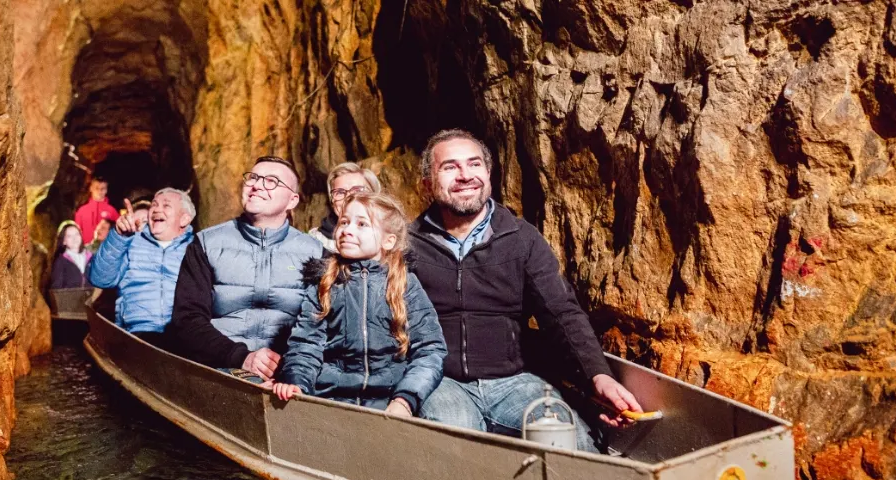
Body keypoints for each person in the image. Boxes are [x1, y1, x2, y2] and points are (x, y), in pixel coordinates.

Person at [410, 129, 644, 453]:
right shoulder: (407, 245)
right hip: (440, 381)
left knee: (571, 439)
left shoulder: (520, 238)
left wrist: (597, 376)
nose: (465, 175)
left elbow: (561, 313)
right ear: (427, 183)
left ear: (488, 175)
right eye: (450, 167)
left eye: (474, 164)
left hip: (514, 382)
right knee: (455, 443)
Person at [274, 192, 446, 416]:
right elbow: (305, 344)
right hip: (331, 398)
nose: (347, 229)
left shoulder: (405, 284)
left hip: (389, 401)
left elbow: (430, 349)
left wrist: (405, 399)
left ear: (388, 240)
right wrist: (297, 382)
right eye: (344, 222)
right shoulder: (325, 282)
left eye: (362, 224)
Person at [170, 156, 323, 381]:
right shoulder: (206, 244)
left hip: (291, 372)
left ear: (292, 201)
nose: (257, 185)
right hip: (220, 367)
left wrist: (294, 371)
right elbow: (187, 319)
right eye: (253, 178)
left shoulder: (315, 252)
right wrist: (242, 357)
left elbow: (322, 324)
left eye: (271, 181)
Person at [88, 188, 196, 341]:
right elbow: (100, 278)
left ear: (184, 219)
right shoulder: (130, 242)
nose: (157, 209)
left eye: (166, 206)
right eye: (154, 205)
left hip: (183, 334)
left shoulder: (197, 250)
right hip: (138, 333)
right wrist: (118, 236)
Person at [309, 162, 381, 252]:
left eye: (357, 190)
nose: (348, 197)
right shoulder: (314, 242)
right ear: (332, 201)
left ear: (375, 195)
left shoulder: (394, 237)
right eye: (339, 192)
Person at [74, 177, 119, 245]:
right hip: (86, 250)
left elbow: (117, 232)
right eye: (97, 188)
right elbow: (76, 231)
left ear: (106, 190)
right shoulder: (82, 211)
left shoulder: (112, 211)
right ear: (91, 188)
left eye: (103, 188)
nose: (100, 191)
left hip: (105, 249)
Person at [50, 221, 93, 289]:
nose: (74, 238)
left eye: (77, 234)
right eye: (69, 236)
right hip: (70, 298)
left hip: (92, 298)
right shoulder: (60, 261)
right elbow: (56, 289)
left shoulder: (91, 258)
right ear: (64, 241)